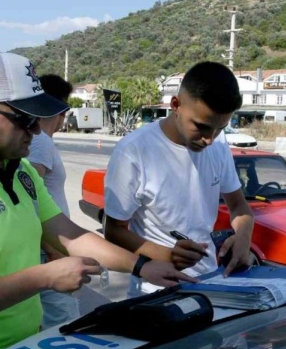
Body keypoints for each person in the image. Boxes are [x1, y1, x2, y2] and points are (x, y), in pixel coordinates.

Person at [0, 52, 193, 349]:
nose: (37, 130)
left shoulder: (21, 171)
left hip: (25, 346)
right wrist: (44, 277)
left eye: (38, 119)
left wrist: (143, 266)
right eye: (25, 120)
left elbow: (67, 234)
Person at [103, 61, 255, 297]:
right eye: (202, 127)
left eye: (219, 128)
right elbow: (113, 230)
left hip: (211, 283)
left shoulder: (219, 144)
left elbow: (238, 206)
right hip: (156, 290)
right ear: (176, 105)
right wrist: (167, 254)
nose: (210, 139)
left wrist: (244, 237)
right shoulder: (133, 151)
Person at [26, 74, 80, 330]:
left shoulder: (38, 141)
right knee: (63, 324)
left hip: (44, 247)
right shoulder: (41, 143)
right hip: (47, 250)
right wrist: (52, 249)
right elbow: (30, 200)